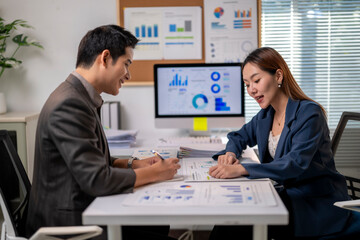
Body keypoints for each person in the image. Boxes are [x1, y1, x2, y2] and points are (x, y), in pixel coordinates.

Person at [26, 25, 180, 240]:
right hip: (68, 225)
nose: (128, 75)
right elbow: (97, 179)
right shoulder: (70, 104)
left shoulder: (78, 96)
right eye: (126, 64)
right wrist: (157, 173)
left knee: (158, 225)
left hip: (80, 210)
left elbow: (93, 160)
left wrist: (132, 164)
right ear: (105, 58)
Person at [208, 47, 360, 239]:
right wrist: (230, 153)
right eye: (247, 84)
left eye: (256, 80)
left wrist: (242, 169)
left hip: (313, 203)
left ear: (278, 76)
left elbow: (295, 163)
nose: (251, 90)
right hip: (287, 195)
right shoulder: (266, 115)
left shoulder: (309, 113)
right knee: (230, 219)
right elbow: (238, 137)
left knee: (234, 224)